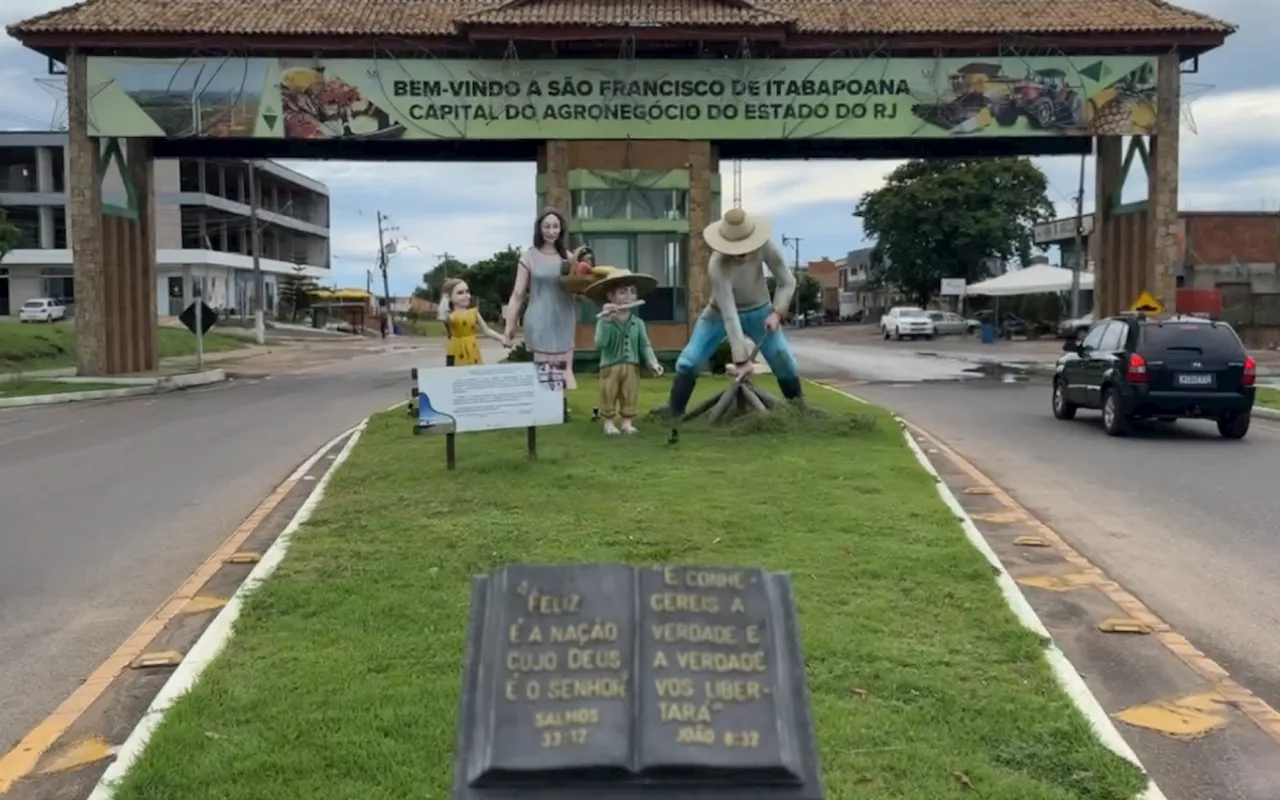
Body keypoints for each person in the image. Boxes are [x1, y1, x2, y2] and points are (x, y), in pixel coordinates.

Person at [661, 207, 803, 415]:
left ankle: (800, 411)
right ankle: (674, 412)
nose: (741, 253)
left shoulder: (765, 246)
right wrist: (742, 360)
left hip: (760, 311)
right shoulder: (716, 265)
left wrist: (777, 312)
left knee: (784, 359)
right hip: (718, 314)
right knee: (688, 361)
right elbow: (729, 313)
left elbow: (787, 282)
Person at [504, 208, 579, 390]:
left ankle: (563, 407)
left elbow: (579, 288)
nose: (551, 231)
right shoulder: (529, 257)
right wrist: (510, 325)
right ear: (539, 229)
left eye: (555, 226)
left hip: (564, 317)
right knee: (544, 371)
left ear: (561, 229)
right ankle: (547, 407)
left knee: (565, 369)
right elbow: (517, 294)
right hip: (538, 317)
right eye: (547, 226)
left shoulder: (569, 258)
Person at [587, 267, 663, 434]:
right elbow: (600, 344)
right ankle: (608, 423)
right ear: (611, 296)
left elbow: (645, 345)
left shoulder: (638, 323)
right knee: (609, 392)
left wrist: (653, 362)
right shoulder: (604, 321)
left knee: (630, 393)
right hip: (610, 366)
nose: (629, 296)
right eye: (622, 292)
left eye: (632, 292)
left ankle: (627, 422)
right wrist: (607, 322)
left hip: (631, 366)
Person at [437, 277, 509, 365]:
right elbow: (443, 317)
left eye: (467, 292)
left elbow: (486, 330)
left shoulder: (474, 313)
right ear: (449, 297)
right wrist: (444, 301)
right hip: (455, 350)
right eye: (460, 293)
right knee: (455, 373)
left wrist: (501, 338)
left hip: (472, 348)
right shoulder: (451, 316)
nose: (466, 295)